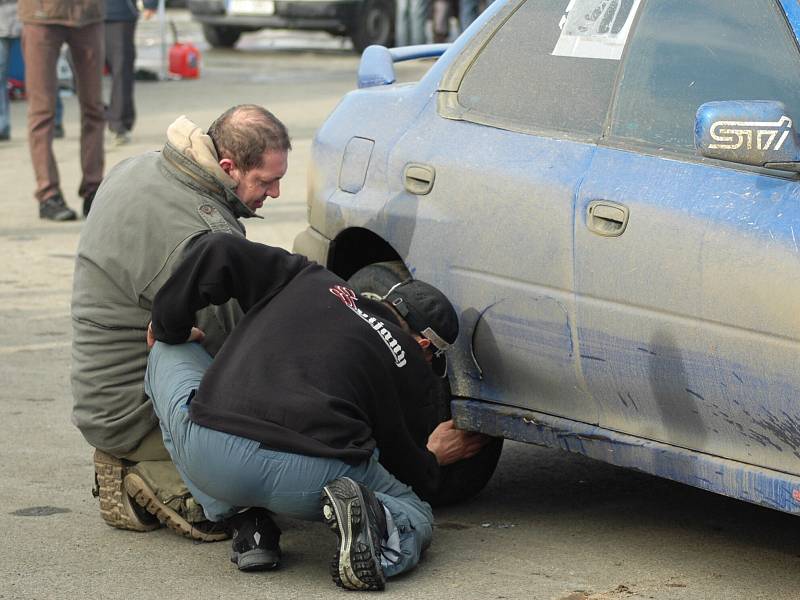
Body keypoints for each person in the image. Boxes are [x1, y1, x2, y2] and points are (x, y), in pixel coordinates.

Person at [145, 233, 490, 589]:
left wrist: (169, 323)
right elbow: (402, 466)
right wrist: (433, 457)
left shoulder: (307, 277)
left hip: (214, 452)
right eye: (433, 356)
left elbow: (219, 248)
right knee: (414, 512)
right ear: (422, 344)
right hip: (310, 474)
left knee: (166, 351)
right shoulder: (409, 362)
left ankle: (244, 521)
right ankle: (377, 536)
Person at [71, 105, 291, 568]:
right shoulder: (200, 237)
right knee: (272, 479)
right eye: (266, 182)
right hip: (133, 413)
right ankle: (143, 470)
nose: (275, 192)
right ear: (228, 167)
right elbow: (236, 360)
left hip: (103, 394)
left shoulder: (147, 167)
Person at [18, 0, 105, 220]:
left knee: (94, 108)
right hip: (40, 14)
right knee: (42, 111)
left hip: (88, 13)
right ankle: (48, 194)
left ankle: (94, 189)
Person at [104, 0, 156, 146]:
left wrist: (150, 3)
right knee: (79, 70)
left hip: (119, 13)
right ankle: (100, 112)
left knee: (121, 69)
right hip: (81, 15)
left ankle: (119, 123)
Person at [0, 0, 20, 142]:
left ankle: (54, 122)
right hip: (2, 23)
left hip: (30, 20)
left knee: (42, 76)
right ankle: (3, 126)